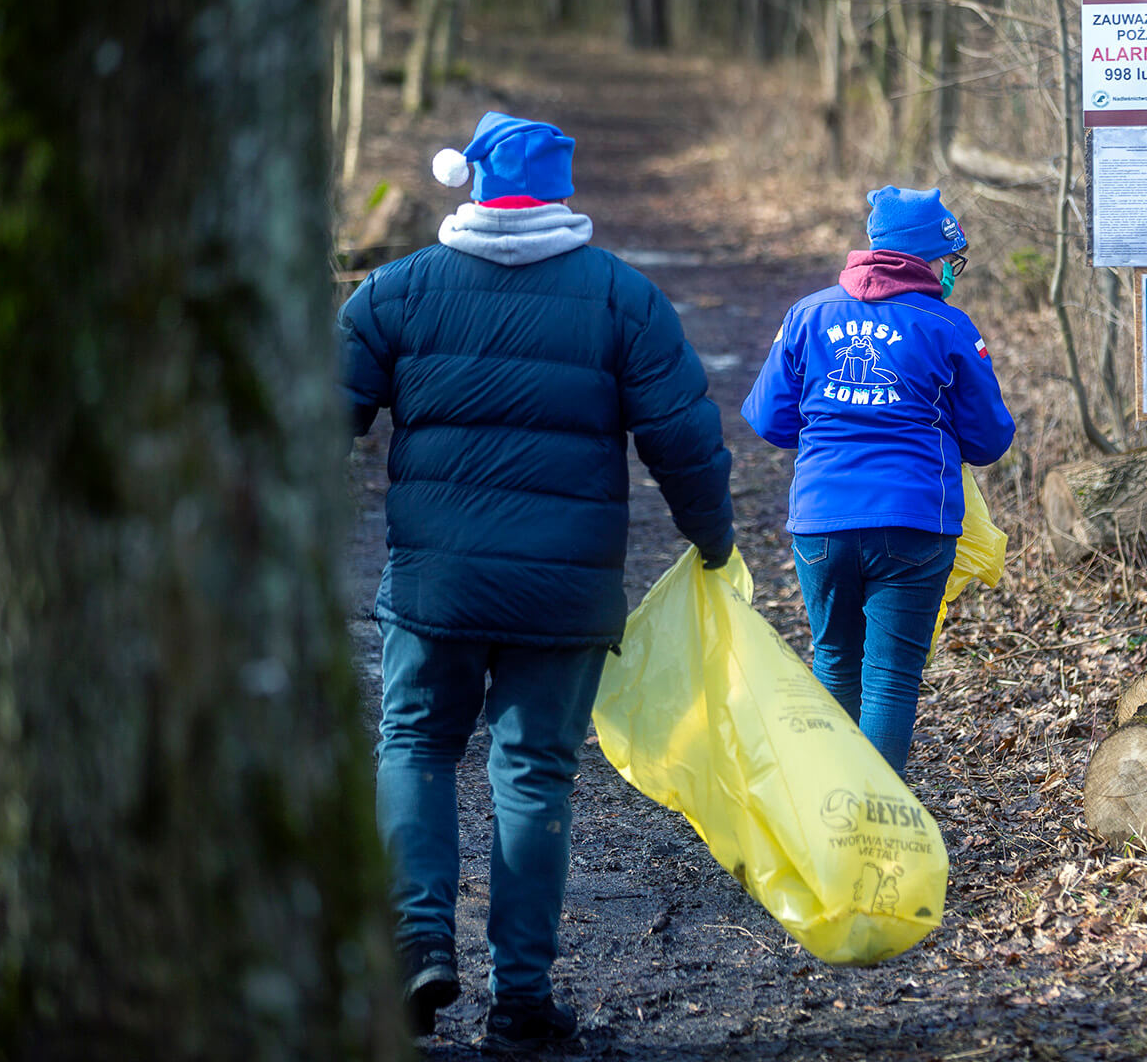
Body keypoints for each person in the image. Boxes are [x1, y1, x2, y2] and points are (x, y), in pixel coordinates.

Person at [340, 111, 735, 1051]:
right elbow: (683, 437)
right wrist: (713, 540)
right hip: (563, 594)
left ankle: (416, 946)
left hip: (433, 584)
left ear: (474, 185)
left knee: (415, 746)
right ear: (562, 190)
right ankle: (521, 1003)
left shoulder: (396, 291)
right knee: (532, 775)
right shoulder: (622, 298)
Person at [741, 186, 1014, 778]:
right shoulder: (949, 327)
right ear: (928, 257)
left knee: (834, 663)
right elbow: (989, 441)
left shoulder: (807, 315)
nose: (952, 272)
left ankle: (826, 809)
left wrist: (836, 421)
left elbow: (768, 420)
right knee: (890, 679)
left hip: (822, 520)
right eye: (951, 260)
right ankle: (875, 819)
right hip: (915, 521)